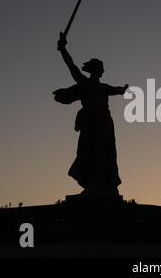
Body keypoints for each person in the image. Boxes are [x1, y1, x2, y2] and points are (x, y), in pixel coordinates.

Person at [53, 32, 128, 198]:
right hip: (90, 123)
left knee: (104, 153)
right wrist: (63, 49)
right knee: (87, 153)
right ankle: (92, 186)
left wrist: (122, 90)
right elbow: (71, 66)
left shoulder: (104, 87)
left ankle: (104, 186)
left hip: (104, 124)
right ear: (96, 70)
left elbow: (115, 90)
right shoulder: (85, 83)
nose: (102, 71)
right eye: (100, 68)